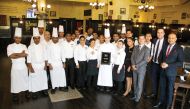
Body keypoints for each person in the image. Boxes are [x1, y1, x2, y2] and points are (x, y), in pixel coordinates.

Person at [153, 33, 184, 109]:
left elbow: (180, 63)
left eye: (172, 38)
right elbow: (160, 57)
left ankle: (168, 105)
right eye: (169, 38)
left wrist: (168, 65)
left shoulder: (179, 48)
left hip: (171, 72)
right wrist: (161, 63)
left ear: (176, 39)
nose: (170, 39)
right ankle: (160, 101)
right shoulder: (165, 46)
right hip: (162, 71)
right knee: (162, 88)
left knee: (170, 89)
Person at [7, 27, 29, 103]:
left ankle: (26, 92)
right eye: (16, 38)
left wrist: (16, 54)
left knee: (25, 79)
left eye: (19, 38)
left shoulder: (24, 46)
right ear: (14, 38)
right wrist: (20, 54)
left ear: (21, 38)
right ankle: (15, 95)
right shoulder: (10, 46)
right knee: (15, 81)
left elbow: (26, 54)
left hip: (23, 66)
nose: (18, 39)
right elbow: (11, 56)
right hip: (15, 66)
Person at [147, 28, 168, 99]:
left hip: (162, 64)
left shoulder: (167, 42)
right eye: (158, 32)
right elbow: (153, 50)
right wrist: (151, 57)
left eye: (161, 32)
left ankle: (160, 96)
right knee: (153, 79)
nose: (159, 34)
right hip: (154, 62)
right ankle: (154, 93)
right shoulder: (154, 40)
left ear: (164, 33)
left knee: (161, 80)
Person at [27, 27, 48, 99]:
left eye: (38, 38)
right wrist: (30, 68)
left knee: (43, 79)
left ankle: (43, 90)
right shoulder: (30, 47)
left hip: (42, 65)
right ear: (33, 39)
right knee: (34, 80)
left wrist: (45, 65)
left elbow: (45, 56)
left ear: (39, 38)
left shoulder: (43, 46)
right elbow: (28, 59)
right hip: (34, 66)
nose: (37, 40)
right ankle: (34, 92)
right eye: (35, 38)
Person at [130, 35, 150, 103]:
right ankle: (135, 95)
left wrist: (136, 65)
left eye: (142, 39)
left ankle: (138, 97)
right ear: (138, 40)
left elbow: (145, 60)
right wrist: (133, 65)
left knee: (139, 83)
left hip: (141, 69)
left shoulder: (147, 49)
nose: (141, 40)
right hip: (134, 68)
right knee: (135, 83)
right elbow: (132, 57)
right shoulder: (135, 47)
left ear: (145, 40)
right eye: (140, 39)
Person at [47, 27, 67, 94]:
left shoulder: (60, 45)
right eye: (54, 38)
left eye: (56, 38)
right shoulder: (49, 45)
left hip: (59, 63)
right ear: (52, 38)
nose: (55, 39)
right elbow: (48, 55)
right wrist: (49, 64)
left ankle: (61, 87)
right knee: (53, 76)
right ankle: (54, 88)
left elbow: (63, 54)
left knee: (61, 75)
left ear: (57, 38)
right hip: (52, 63)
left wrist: (64, 62)